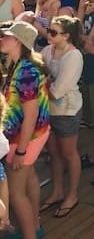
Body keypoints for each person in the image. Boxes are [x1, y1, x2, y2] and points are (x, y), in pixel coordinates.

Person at [0, 21, 51, 239]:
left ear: (19, 41)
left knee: (17, 192)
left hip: (24, 139)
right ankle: (34, 226)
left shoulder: (26, 71)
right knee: (30, 178)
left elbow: (30, 114)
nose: (2, 39)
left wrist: (20, 151)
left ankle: (29, 234)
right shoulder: (20, 65)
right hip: (32, 136)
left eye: (7, 36)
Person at [39, 15, 84, 220]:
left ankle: (72, 195)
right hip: (50, 110)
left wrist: (39, 91)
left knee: (69, 153)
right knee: (54, 154)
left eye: (54, 32)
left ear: (66, 36)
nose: (49, 34)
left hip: (67, 111)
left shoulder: (74, 56)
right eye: (50, 30)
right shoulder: (48, 50)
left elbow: (58, 90)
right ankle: (57, 191)